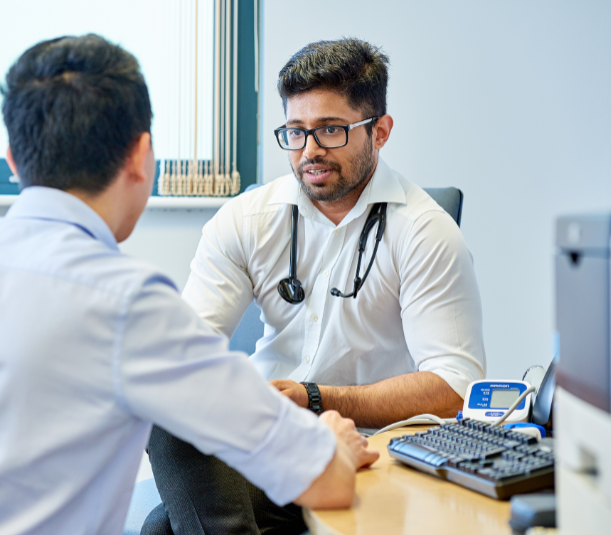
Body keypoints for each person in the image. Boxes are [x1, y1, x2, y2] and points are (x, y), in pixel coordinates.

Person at [0, 35, 379, 535]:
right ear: (140, 155)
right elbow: (327, 484)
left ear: (14, 161)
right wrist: (330, 442)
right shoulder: (126, 303)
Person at [144, 38, 487, 534]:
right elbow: (183, 351)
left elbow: (455, 388)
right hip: (270, 445)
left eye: (330, 130)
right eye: (296, 132)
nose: (310, 152)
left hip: (371, 450)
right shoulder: (246, 220)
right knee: (166, 416)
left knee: (164, 529)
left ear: (381, 131)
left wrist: (315, 398)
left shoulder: (425, 232)